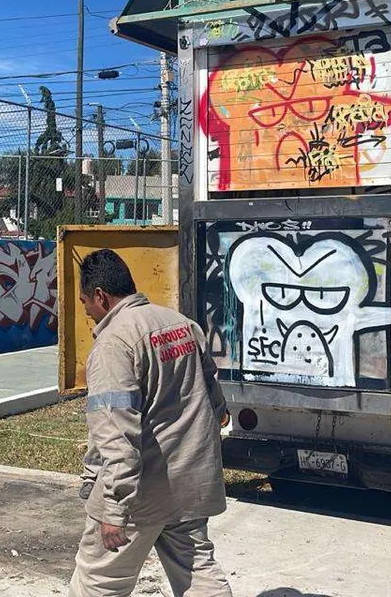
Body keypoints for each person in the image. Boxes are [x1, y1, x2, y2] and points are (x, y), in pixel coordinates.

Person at [69, 249, 231, 597]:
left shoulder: (115, 343)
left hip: (143, 492)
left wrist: (114, 507)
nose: (85, 312)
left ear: (101, 296)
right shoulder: (182, 325)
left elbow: (117, 434)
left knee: (99, 582)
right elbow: (212, 395)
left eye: (85, 302)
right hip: (190, 483)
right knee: (197, 572)